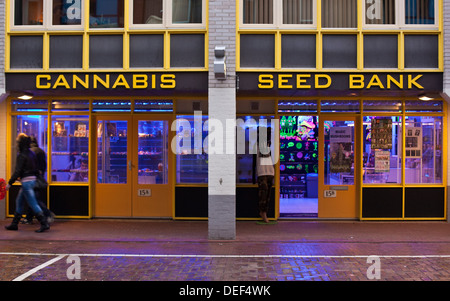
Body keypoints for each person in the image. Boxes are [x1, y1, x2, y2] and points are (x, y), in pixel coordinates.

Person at [4, 133, 50, 233]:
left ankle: (44, 223)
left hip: (26, 182)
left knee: (33, 203)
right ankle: (14, 224)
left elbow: (17, 171)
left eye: (17, 142)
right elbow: (36, 168)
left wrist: (9, 184)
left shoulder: (22, 155)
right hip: (31, 180)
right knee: (19, 201)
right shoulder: (31, 153)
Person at [22, 137, 55, 225]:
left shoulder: (29, 152)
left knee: (34, 199)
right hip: (39, 177)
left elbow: (28, 166)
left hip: (31, 178)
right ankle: (28, 218)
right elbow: (44, 165)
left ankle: (47, 214)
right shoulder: (41, 151)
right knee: (33, 197)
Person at [252, 127, 274, 223]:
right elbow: (254, 161)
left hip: (270, 171)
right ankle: (263, 212)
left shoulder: (269, 145)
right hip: (262, 173)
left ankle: (264, 212)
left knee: (268, 194)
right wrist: (254, 176)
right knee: (263, 195)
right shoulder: (256, 146)